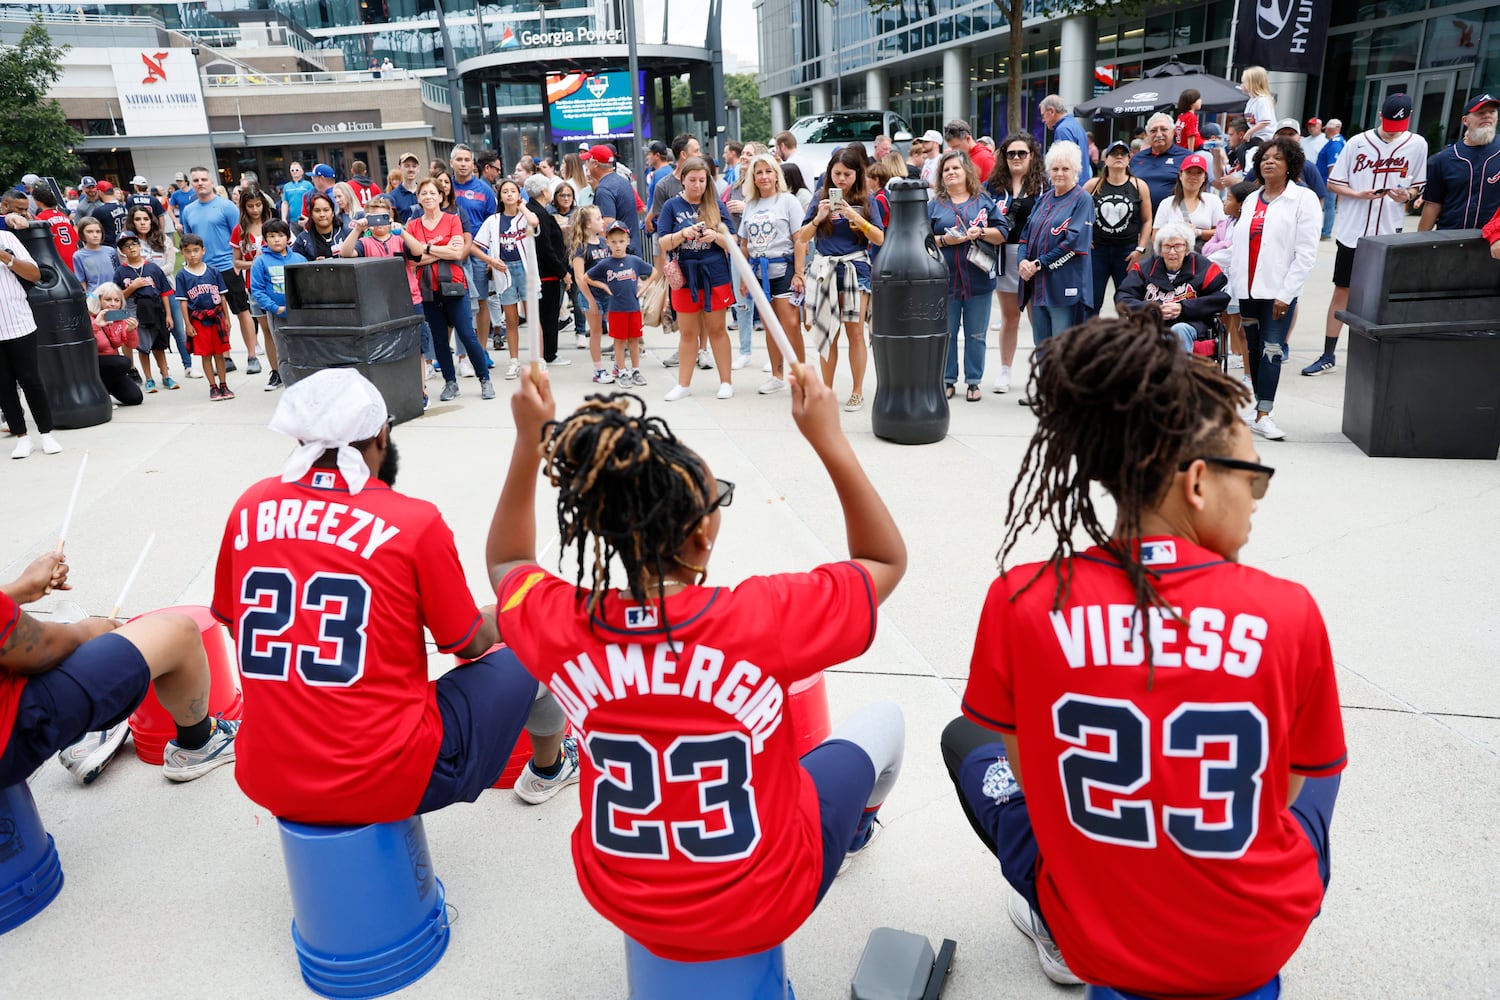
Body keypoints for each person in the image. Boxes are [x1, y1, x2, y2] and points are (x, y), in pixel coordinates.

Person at [944, 309, 1345, 996]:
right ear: (1196, 482)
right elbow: (1282, 795)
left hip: (1095, 933)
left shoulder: (1021, 599)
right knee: (1321, 761)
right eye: (1253, 478)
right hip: (1252, 943)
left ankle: (1052, 922)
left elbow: (1034, 783)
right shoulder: (1288, 612)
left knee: (965, 740)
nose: (1257, 501)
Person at [487, 369, 906, 967]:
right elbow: (882, 559)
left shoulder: (564, 626)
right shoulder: (764, 620)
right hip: (768, 899)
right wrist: (828, 439)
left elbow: (508, 560)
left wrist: (529, 441)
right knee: (886, 722)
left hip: (622, 895)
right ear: (702, 538)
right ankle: (856, 833)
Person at [211, 367, 578, 825]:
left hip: (266, 773)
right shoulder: (413, 523)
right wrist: (511, 613)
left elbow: (231, 621)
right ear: (382, 434)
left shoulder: (249, 505)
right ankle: (550, 767)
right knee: (531, 644)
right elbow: (469, 642)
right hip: (387, 775)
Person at [2, 551, 239, 788]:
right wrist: (88, 631)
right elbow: (39, 647)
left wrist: (19, 590)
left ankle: (90, 726)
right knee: (179, 632)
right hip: (14, 729)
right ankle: (198, 742)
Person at [1315, 94, 1427, 379]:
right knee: (1343, 290)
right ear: (1379, 115)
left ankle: (1383, 356)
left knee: (1385, 296)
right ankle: (1328, 354)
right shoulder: (1357, 142)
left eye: (1399, 123)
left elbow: (1417, 187)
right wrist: (1358, 193)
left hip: (1390, 230)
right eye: (1389, 122)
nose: (1393, 128)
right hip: (1354, 230)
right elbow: (1334, 183)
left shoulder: (1416, 144)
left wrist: (1408, 194)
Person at [1231, 135, 1320, 441]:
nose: (1269, 161)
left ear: (1290, 165)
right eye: (1265, 157)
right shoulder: (1253, 199)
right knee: (1252, 348)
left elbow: (1306, 253)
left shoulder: (1303, 199)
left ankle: (1266, 414)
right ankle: (1257, 406)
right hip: (1248, 289)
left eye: (1277, 158)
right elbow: (1240, 246)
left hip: (1278, 292)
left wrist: (1287, 293)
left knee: (1271, 350)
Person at [794, 148, 884, 412]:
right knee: (827, 331)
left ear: (857, 174)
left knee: (855, 332)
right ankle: (826, 391)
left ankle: (857, 391)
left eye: (847, 174)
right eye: (836, 174)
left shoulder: (867, 199)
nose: (841, 179)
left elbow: (879, 238)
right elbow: (802, 236)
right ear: (829, 173)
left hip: (856, 267)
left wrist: (854, 215)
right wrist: (820, 217)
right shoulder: (819, 198)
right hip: (825, 268)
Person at [404, 177, 493, 402]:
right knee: (440, 339)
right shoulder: (413, 225)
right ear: (419, 198)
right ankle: (450, 382)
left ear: (441, 196)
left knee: (466, 334)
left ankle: (484, 379)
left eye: (433, 193)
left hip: (454, 285)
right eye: (424, 193)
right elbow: (412, 261)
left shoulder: (453, 220)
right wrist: (439, 249)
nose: (428, 197)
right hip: (428, 288)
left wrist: (425, 249)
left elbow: (457, 253)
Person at [659, 156, 739, 402]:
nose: (697, 185)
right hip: (685, 276)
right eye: (692, 180)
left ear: (708, 181)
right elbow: (662, 241)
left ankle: (726, 382)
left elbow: (733, 242)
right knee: (687, 332)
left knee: (717, 329)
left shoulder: (716, 204)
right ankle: (684, 384)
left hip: (715, 274)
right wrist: (683, 233)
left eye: (702, 180)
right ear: (682, 180)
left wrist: (714, 236)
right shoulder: (672, 206)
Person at [1016, 141, 1095, 389]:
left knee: (1062, 345)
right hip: (1037, 286)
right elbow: (1025, 235)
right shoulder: (1045, 198)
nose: (1059, 173)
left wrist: (1038, 264)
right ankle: (1045, 390)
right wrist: (1022, 262)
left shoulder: (1082, 200)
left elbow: (1075, 243)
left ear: (1076, 171)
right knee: (1042, 343)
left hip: (1064, 286)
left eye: (1065, 169)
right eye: (1055, 168)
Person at [930, 150, 1004, 402]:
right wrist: (944, 240)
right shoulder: (934, 206)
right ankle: (948, 380)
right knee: (947, 333)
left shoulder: (983, 202)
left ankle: (974, 381)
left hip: (979, 280)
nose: (951, 173)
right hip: (945, 281)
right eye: (946, 169)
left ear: (967, 172)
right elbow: (923, 240)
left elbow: (1003, 231)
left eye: (956, 168)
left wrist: (981, 232)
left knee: (976, 334)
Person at [181, 166, 265, 378]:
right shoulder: (189, 210)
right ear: (192, 183)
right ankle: (225, 356)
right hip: (203, 271)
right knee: (215, 315)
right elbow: (189, 242)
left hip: (228, 267)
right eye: (196, 180)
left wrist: (239, 264)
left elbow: (239, 236)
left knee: (241, 311)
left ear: (211, 182)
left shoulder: (226, 207)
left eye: (203, 179)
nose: (200, 183)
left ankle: (252, 355)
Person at [738, 153, 808, 396]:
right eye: (759, 172)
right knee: (769, 326)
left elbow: (800, 239)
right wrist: (744, 277)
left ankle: (801, 375)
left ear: (776, 175)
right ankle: (777, 375)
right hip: (759, 272)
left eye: (768, 171)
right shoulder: (750, 206)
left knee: (790, 325)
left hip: (784, 269)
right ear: (753, 178)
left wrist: (799, 273)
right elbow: (744, 245)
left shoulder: (788, 201)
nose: (764, 176)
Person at [986, 133, 1045, 395]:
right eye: (1011, 154)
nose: (1017, 158)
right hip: (1004, 254)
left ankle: (1044, 371)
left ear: (1032, 156)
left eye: (1022, 153)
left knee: (1038, 318)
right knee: (1010, 317)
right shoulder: (994, 187)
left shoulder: (1043, 185)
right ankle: (1005, 370)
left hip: (1033, 257)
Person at [1115, 221, 1230, 352]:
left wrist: (1183, 307)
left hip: (1191, 323)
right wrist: (1154, 309)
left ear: (1187, 248)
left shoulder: (1205, 268)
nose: (1172, 252)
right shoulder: (1143, 268)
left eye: (1178, 246)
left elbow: (1221, 297)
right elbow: (1123, 297)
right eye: (1167, 246)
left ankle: (1178, 372)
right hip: (1152, 322)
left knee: (1179, 330)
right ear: (1160, 249)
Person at [0, 226, 58, 458]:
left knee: (30, 380)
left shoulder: (6, 237)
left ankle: (46, 433)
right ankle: (21, 437)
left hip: (18, 322)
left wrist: (7, 257)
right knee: (3, 385)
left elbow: (35, 275)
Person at [472, 179, 535, 382]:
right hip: (505, 270)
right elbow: (474, 246)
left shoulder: (524, 216)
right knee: (511, 319)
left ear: (519, 194)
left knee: (533, 316)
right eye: (505, 191)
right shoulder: (493, 221)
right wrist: (491, 260)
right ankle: (514, 360)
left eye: (513, 191)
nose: (509, 194)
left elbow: (534, 222)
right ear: (499, 196)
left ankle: (537, 359)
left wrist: (522, 205)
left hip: (525, 269)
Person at [1083, 139, 1154, 317]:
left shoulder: (1139, 186)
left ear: (1129, 159)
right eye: (1114, 153)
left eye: (1123, 154)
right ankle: (1090, 340)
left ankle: (1126, 340)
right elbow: (1077, 215)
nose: (1119, 157)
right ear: (1105, 159)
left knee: (1127, 301)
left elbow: (1147, 221)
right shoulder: (1092, 186)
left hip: (1127, 252)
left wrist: (1140, 248)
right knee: (1091, 301)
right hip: (1097, 251)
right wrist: (1083, 238)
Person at [585, 221, 656, 387]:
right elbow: (587, 277)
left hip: (633, 308)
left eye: (622, 241)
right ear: (607, 241)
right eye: (614, 242)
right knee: (619, 341)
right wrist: (603, 285)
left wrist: (643, 288)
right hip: (616, 310)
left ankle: (636, 370)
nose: (618, 245)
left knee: (634, 341)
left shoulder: (634, 261)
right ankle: (622, 371)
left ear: (628, 241)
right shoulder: (605, 264)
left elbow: (654, 272)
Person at [1419, 91, 1500, 233]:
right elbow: (1433, 204)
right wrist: (1418, 244)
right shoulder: (1444, 159)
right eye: (1480, 113)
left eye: (1492, 112)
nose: (1487, 116)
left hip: (1492, 241)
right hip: (1451, 239)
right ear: (1465, 120)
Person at [114, 232, 177, 393]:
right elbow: (118, 297)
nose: (131, 248)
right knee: (143, 347)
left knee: (159, 345)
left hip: (156, 309)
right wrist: (133, 287)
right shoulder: (121, 272)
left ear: (140, 246)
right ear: (122, 251)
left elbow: (164, 292)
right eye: (126, 246)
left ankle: (166, 375)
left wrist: (168, 315)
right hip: (136, 311)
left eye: (133, 244)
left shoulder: (152, 267)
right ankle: (149, 379)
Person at [175, 233, 236, 400]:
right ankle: (213, 387)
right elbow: (183, 302)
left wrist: (227, 318)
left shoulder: (213, 271)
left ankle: (224, 384)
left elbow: (222, 297)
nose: (192, 254)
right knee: (206, 354)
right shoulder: (182, 275)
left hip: (216, 317)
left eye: (196, 250)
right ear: (182, 252)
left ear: (203, 250)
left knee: (220, 353)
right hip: (198, 320)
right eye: (188, 251)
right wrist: (187, 324)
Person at [233, 188, 283, 389]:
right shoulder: (240, 230)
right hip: (256, 288)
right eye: (250, 206)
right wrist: (256, 263)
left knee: (284, 330)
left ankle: (291, 367)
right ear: (244, 207)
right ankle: (276, 372)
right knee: (267, 331)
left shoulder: (274, 223)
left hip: (280, 285)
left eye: (258, 205)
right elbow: (236, 263)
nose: (255, 209)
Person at [249, 219, 307, 382]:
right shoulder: (260, 262)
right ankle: (289, 386)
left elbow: (307, 286)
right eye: (271, 236)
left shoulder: (299, 259)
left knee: (303, 350)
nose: (276, 239)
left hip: (299, 315)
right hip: (278, 315)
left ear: (288, 238)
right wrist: (276, 309)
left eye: (280, 235)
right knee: (284, 354)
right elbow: (258, 291)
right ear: (265, 239)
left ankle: (304, 384)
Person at [524, 174, 570, 367]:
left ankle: (546, 352)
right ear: (544, 191)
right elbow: (546, 249)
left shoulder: (535, 211)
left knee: (546, 315)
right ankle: (549, 353)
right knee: (549, 315)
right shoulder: (539, 214)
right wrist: (563, 272)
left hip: (543, 272)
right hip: (547, 274)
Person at [568, 207, 614, 383]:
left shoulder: (603, 242)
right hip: (591, 295)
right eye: (598, 218)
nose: (602, 221)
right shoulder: (581, 247)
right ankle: (599, 369)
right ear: (588, 224)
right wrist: (590, 300)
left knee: (616, 330)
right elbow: (580, 278)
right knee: (596, 332)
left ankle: (619, 366)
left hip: (608, 294)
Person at [1150, 151, 1225, 251]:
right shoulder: (1167, 203)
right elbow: (1156, 237)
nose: (1193, 177)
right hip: (1173, 256)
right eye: (1189, 172)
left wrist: (1199, 232)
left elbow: (1222, 232)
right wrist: (1177, 233)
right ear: (1180, 175)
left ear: (1204, 177)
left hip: (1205, 257)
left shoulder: (1213, 200)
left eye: (1199, 173)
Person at [88, 282, 144, 407]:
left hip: (112, 366)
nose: (113, 304)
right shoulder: (90, 317)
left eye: (117, 300)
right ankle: (101, 395)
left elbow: (132, 345)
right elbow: (87, 347)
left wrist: (131, 331)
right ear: (99, 300)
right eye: (108, 300)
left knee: (135, 397)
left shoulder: (119, 318)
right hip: (93, 364)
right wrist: (96, 326)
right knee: (123, 362)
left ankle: (107, 388)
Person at [1129, 113, 1192, 208]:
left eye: (1164, 129)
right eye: (1153, 131)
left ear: (1173, 132)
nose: (1158, 134)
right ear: (1147, 135)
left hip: (1173, 217)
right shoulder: (1137, 158)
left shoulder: (1186, 157)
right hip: (1139, 218)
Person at [586, 146, 640, 252]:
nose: (586, 165)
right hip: (632, 249)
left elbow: (606, 224)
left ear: (595, 164)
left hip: (619, 255)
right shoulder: (623, 181)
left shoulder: (604, 189)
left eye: (588, 161)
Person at [1040, 95, 1091, 183]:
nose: (1043, 120)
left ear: (1052, 111)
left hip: (1071, 188)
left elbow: (1064, 163)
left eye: (1043, 115)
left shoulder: (1062, 130)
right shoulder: (1076, 126)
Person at [31, 185, 79, 273]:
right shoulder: (63, 215)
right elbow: (75, 238)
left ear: (38, 201)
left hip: (57, 258)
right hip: (72, 254)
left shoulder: (41, 218)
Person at [290, 193, 350, 262]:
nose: (322, 214)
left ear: (333, 212)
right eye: (317, 211)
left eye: (326, 210)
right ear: (311, 214)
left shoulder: (346, 233)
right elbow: (296, 267)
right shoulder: (302, 240)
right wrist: (314, 265)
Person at [71, 217, 118, 294]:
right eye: (89, 232)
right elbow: (82, 281)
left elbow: (117, 274)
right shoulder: (79, 256)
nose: (95, 235)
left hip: (114, 294)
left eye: (98, 232)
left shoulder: (111, 251)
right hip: (94, 296)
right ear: (82, 234)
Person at [1315, 119, 1345, 240]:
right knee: (1329, 206)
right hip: (1326, 180)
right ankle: (1325, 231)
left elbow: (1332, 165)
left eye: (1327, 129)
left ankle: (1326, 232)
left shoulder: (1335, 143)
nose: (1325, 131)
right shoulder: (1338, 142)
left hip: (1326, 181)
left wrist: (1330, 182)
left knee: (1328, 206)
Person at [1240, 65, 1277, 142]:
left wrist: (1249, 132)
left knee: (1242, 151)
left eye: (1244, 82)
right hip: (1256, 136)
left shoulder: (1262, 100)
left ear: (1252, 84)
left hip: (1265, 137)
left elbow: (1265, 121)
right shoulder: (1252, 101)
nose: (1241, 85)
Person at [388, 152, 424, 222]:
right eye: (407, 166)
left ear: (418, 169)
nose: (411, 169)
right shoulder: (393, 196)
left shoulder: (425, 192)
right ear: (399, 168)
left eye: (414, 166)